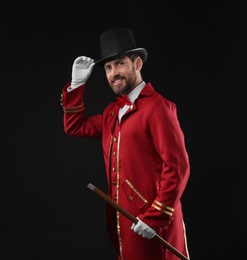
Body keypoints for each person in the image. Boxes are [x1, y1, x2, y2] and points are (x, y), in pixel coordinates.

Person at [60, 27, 190, 260]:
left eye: (119, 64)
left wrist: (156, 215)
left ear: (137, 64)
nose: (113, 73)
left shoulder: (158, 108)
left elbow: (177, 167)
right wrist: (76, 85)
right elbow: (75, 126)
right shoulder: (112, 112)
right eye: (108, 68)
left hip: (153, 223)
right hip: (124, 224)